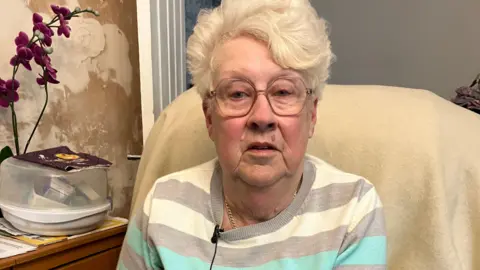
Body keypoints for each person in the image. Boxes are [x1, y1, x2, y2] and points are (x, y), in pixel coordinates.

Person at [117, 0, 387, 269]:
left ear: (312, 114)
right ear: (209, 117)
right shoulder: (163, 207)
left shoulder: (353, 210)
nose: (262, 117)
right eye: (238, 93)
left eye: (283, 92)